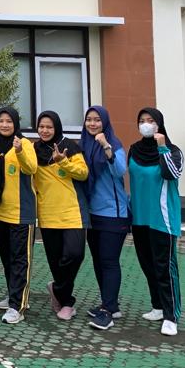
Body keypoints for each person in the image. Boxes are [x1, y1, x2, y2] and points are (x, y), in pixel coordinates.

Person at [129, 107, 184, 337]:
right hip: (140, 218)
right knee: (148, 264)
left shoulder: (173, 151)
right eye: (142, 120)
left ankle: (171, 316)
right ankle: (158, 307)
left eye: (150, 120)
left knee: (165, 268)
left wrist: (162, 148)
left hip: (163, 219)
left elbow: (172, 173)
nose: (146, 124)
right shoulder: (134, 150)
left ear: (159, 124)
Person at [33, 110, 88, 321]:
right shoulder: (34, 150)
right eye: (41, 126)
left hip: (72, 212)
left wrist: (63, 161)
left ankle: (57, 289)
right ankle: (66, 303)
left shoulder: (69, 147)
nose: (45, 130)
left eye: (49, 127)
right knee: (56, 261)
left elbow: (83, 173)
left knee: (75, 254)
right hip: (47, 214)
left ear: (56, 127)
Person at [81, 105, 131, 331]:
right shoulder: (84, 145)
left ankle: (108, 311)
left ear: (105, 122)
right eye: (89, 120)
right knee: (98, 260)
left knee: (109, 261)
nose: (92, 124)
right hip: (92, 214)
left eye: (97, 120)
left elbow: (120, 170)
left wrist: (105, 146)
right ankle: (110, 304)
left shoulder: (114, 144)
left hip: (114, 214)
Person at [0, 106, 37, 324]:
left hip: (21, 213)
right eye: (1, 121)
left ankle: (18, 306)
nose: (5, 125)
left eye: (9, 121)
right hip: (0, 212)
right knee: (7, 258)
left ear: (16, 123)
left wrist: (19, 151)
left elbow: (31, 168)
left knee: (20, 260)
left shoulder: (24, 143)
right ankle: (13, 294)